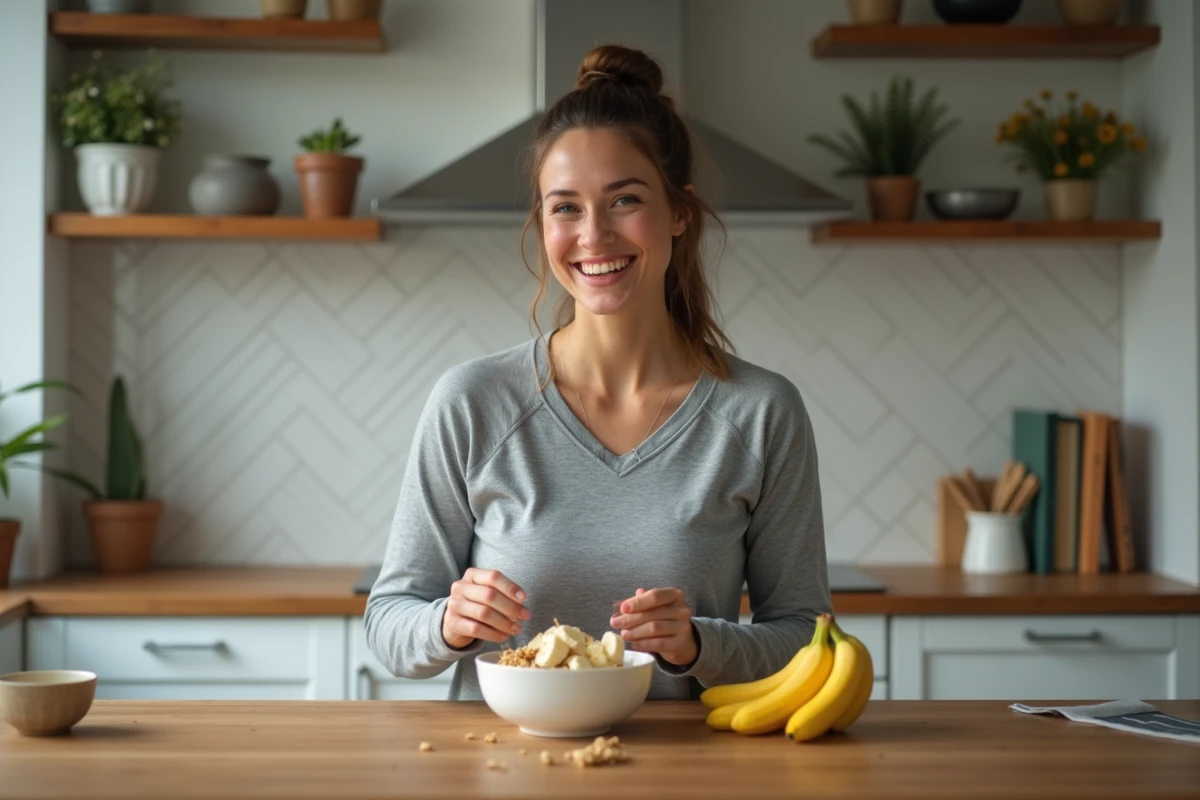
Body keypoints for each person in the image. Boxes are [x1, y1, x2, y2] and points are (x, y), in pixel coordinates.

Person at [365, 44, 831, 702]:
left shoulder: (761, 412)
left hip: (685, 775)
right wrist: (447, 622)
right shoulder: (472, 403)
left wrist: (702, 643)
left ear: (678, 213)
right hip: (500, 770)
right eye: (565, 207)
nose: (593, 235)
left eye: (624, 200)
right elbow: (388, 623)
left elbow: (808, 636)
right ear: (543, 223)